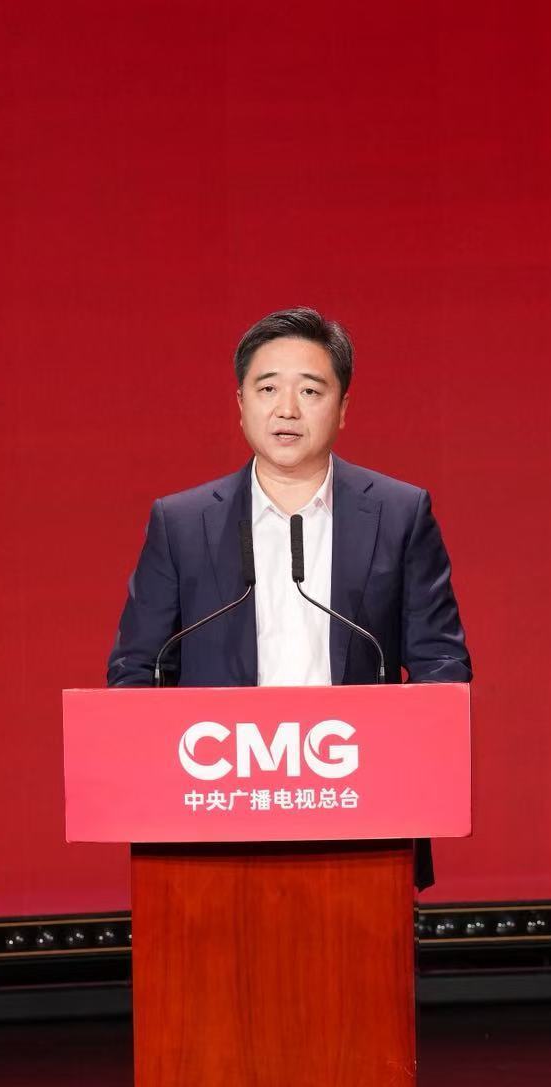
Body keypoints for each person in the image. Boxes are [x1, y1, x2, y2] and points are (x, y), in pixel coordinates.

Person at [106, 307, 472, 888]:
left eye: (310, 390)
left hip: (359, 817)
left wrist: (404, 769)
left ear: (343, 407)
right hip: (213, 822)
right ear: (241, 403)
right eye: (268, 388)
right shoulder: (181, 523)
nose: (287, 409)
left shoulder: (400, 514)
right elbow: (136, 672)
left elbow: (441, 667)